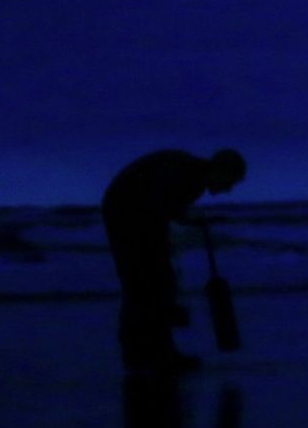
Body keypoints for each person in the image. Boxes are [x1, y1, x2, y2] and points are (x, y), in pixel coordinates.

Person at [101, 148, 246, 374]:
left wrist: (184, 221)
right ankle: (146, 355)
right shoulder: (189, 175)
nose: (228, 189)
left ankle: (153, 353)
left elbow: (165, 207)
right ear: (220, 170)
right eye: (230, 182)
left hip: (132, 213)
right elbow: (157, 205)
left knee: (155, 284)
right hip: (125, 214)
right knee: (145, 284)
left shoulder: (191, 176)